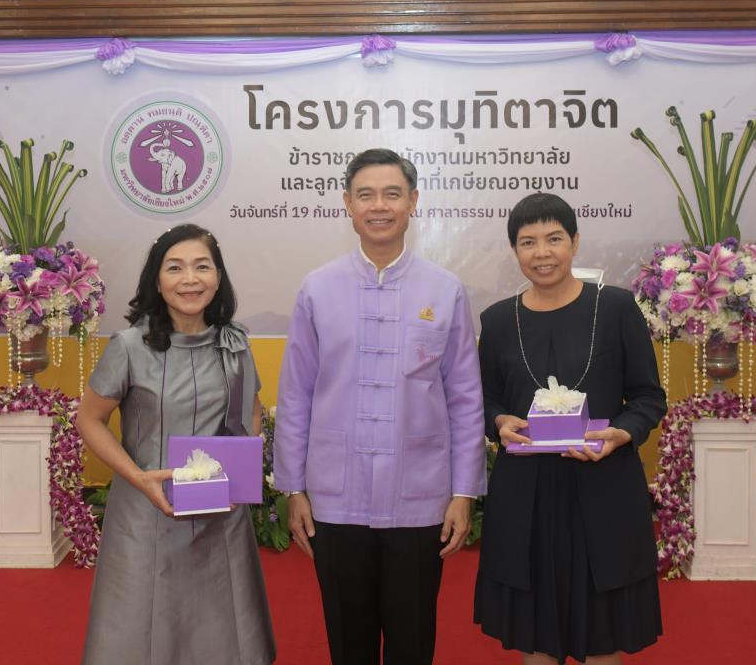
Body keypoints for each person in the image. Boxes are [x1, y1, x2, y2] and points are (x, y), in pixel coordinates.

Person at [274, 147, 486, 665]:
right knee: (350, 643)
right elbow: (296, 395)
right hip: (335, 495)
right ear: (347, 204)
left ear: (413, 201)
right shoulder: (317, 289)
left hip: (420, 497)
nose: (379, 206)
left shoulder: (445, 290)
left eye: (392, 194)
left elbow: (465, 399)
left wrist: (463, 492)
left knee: (413, 641)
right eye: (365, 195)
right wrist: (293, 489)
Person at [474, 193, 666, 665]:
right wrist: (498, 421)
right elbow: (484, 400)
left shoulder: (616, 308)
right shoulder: (498, 320)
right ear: (515, 250)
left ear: (575, 243)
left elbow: (648, 397)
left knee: (603, 634)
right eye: (528, 242)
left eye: (554, 239)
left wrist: (621, 433)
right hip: (526, 497)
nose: (542, 253)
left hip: (604, 489)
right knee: (535, 635)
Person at [77, 224, 276, 665]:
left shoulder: (235, 343)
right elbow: (89, 420)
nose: (190, 279)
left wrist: (239, 471)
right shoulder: (129, 347)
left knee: (222, 634)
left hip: (221, 515)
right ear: (156, 279)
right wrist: (137, 478)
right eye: (175, 268)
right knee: (142, 635)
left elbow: (252, 411)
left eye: (202, 267)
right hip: (146, 512)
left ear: (218, 277)